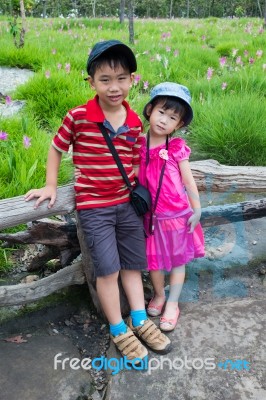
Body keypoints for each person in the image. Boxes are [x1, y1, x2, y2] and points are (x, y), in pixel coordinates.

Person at [24, 40, 171, 361]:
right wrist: (50, 185)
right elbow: (56, 148)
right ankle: (119, 329)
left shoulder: (134, 121)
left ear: (133, 79)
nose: (114, 87)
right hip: (95, 210)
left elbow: (133, 160)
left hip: (127, 207)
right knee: (107, 271)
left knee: (133, 265)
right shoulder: (78, 116)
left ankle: (140, 319)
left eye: (121, 78)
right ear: (91, 82)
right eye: (105, 80)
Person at [138, 82, 205, 332]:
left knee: (177, 261)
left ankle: (173, 303)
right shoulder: (138, 145)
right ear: (149, 110)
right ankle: (159, 294)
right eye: (161, 112)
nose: (164, 120)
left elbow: (188, 181)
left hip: (177, 214)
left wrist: (196, 209)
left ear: (179, 125)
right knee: (153, 261)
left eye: (172, 117)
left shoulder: (176, 148)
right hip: (150, 216)